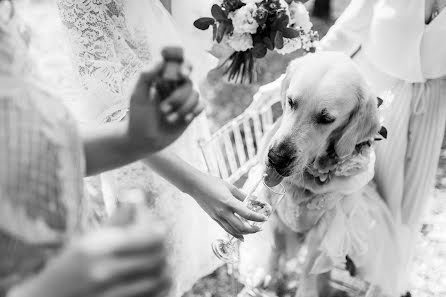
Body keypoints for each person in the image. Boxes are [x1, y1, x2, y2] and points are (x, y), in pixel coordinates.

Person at [0, 0, 266, 295]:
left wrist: (135, 139)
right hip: (46, 260)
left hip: (75, 219)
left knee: (165, 260)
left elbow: (43, 146)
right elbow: (105, 107)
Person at [251, 0, 446, 294]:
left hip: (420, 115)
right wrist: (287, 85)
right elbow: (340, 38)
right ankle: (290, 261)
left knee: (401, 202)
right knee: (324, 203)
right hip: (359, 97)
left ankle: (385, 277)